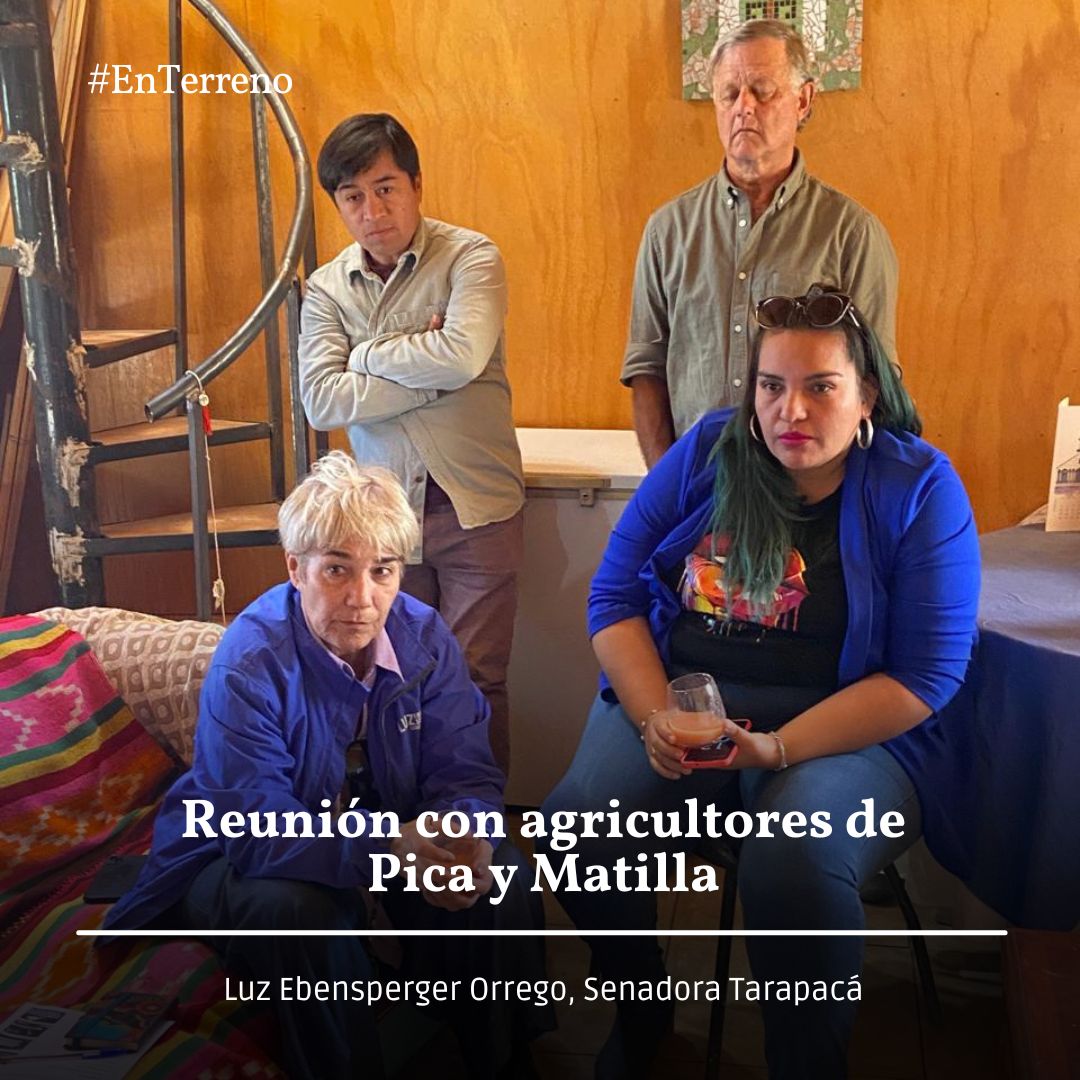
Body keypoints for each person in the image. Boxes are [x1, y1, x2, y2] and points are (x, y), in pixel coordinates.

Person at [542, 285, 980, 1079]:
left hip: (841, 736)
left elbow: (927, 674)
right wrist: (653, 721)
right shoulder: (710, 448)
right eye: (771, 386)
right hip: (684, 707)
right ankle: (641, 1016)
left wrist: (776, 748)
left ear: (867, 393)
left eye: (821, 386)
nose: (792, 411)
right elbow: (611, 598)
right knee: (574, 828)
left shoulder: (919, 485)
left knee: (793, 855)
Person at [104, 453, 551, 1080]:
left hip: (379, 837)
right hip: (233, 858)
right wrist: (395, 845)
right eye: (337, 569)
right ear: (296, 568)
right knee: (300, 912)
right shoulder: (250, 661)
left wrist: (463, 833)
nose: (362, 600)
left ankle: (502, 1058)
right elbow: (257, 833)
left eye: (383, 571)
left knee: (496, 870)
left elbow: (466, 773)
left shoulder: (425, 637)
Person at [298, 112, 524, 773]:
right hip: (385, 525)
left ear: (417, 185)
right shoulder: (325, 289)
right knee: (393, 683)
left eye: (386, 187)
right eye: (352, 196)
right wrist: (417, 367)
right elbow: (321, 398)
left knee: (475, 682)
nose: (372, 211)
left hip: (476, 506)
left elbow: (461, 357)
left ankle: (475, 835)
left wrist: (363, 355)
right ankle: (407, 838)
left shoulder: (471, 257)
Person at [623, 19, 899, 468]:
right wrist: (667, 489)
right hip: (697, 489)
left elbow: (877, 383)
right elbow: (647, 370)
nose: (743, 108)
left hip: (809, 499)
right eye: (729, 94)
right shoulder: (666, 231)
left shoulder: (852, 234)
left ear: (804, 100)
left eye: (762, 90)